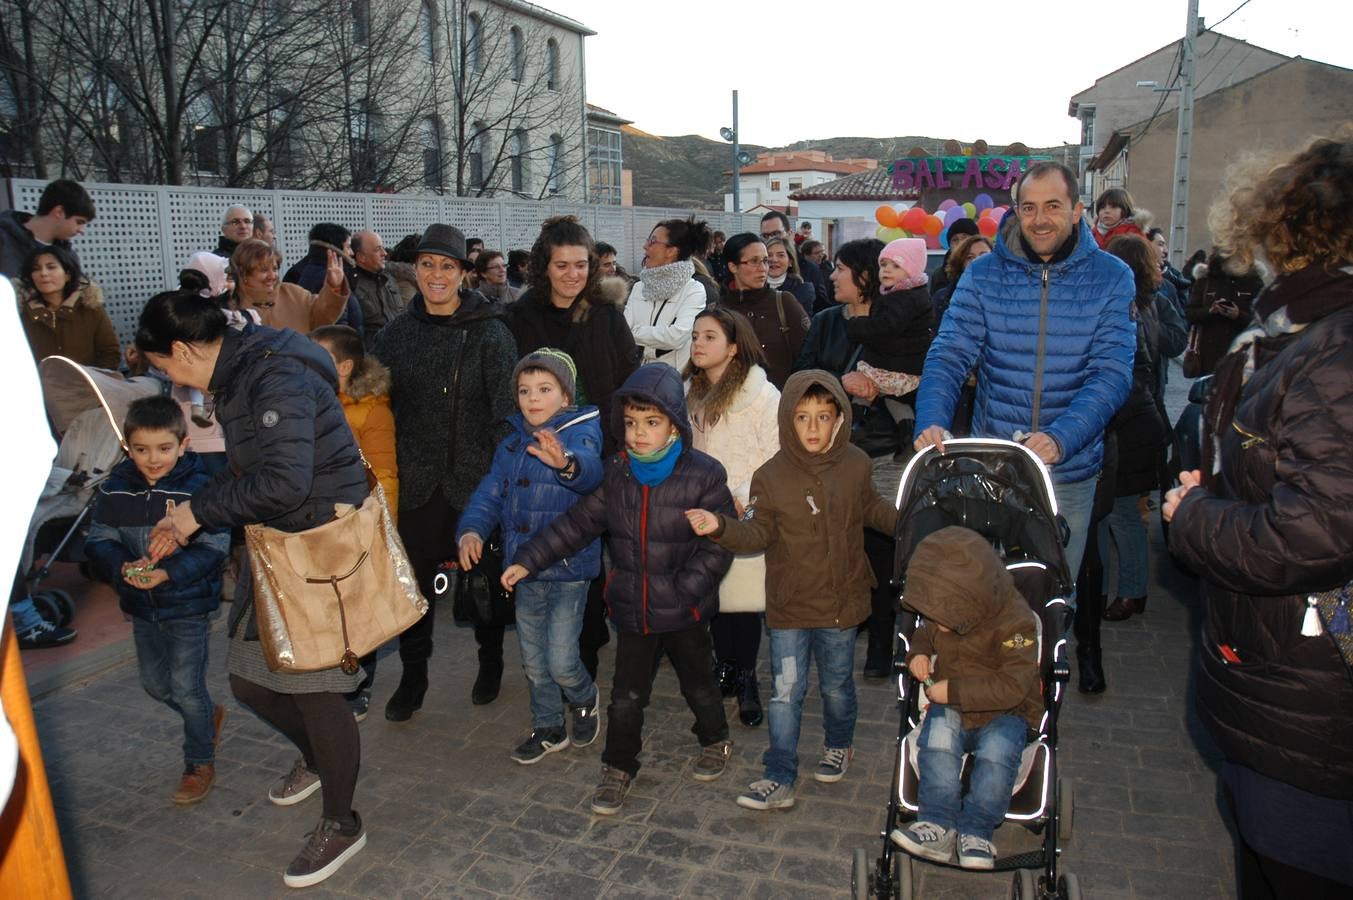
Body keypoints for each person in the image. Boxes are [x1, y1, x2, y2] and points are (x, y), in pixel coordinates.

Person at [1164, 135, 1353, 898]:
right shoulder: (1295, 338)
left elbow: (1314, 531)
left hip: (1309, 697)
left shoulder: (1330, 352)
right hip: (1281, 680)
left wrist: (1194, 514)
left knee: (1294, 865)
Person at [138, 290, 369, 888]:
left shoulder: (275, 376)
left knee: (318, 690)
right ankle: (321, 758)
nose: (169, 379)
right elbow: (254, 471)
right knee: (249, 679)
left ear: (185, 349)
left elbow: (284, 481)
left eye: (165, 366)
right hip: (272, 540)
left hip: (317, 541)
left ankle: (342, 822)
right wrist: (194, 505)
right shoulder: (240, 369)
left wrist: (195, 515)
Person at [503, 363, 736, 816]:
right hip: (635, 609)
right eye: (630, 423)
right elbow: (575, 525)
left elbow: (717, 546)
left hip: (685, 609)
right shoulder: (618, 474)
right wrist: (526, 559)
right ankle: (618, 766)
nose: (639, 433)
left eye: (651, 423)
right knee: (626, 697)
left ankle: (714, 738)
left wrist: (686, 590)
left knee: (700, 683)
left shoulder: (703, 475)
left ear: (674, 424)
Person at [915, 161, 1136, 592]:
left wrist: (1060, 437)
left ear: (1077, 210)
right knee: (986, 597)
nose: (1040, 219)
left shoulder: (1113, 278)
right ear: (1016, 211)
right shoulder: (983, 274)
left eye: (1053, 206)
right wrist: (931, 418)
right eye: (1029, 207)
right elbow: (949, 354)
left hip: (1069, 470)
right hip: (994, 467)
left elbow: (1111, 374)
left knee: (1052, 597)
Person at [685, 371, 897, 811]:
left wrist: (909, 518)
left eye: (824, 416)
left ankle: (839, 743)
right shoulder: (771, 476)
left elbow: (872, 509)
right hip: (789, 607)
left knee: (837, 686)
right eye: (802, 417)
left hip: (841, 605)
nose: (813, 428)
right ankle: (779, 772)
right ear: (788, 421)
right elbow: (756, 533)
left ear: (840, 418)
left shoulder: (856, 463)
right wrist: (721, 526)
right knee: (786, 690)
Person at [371, 224, 517, 716]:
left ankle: (491, 660)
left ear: (463, 273)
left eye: (447, 266)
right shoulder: (394, 334)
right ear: (416, 269)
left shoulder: (491, 332)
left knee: (483, 582)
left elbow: (506, 414)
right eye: (428, 264)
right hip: (416, 483)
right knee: (417, 585)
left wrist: (496, 485)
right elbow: (376, 407)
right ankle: (414, 676)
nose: (436, 274)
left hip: (474, 482)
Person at [507, 217, 640, 685]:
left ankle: (589, 644)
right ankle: (562, 652)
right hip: (543, 455)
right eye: (561, 265)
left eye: (581, 265)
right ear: (544, 266)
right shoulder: (522, 317)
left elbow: (628, 380)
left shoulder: (606, 315)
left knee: (598, 548)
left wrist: (626, 444)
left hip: (602, 452)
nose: (572, 274)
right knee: (557, 548)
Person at [457, 349, 604, 764]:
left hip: (568, 568)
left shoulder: (580, 433)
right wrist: (471, 530)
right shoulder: (511, 443)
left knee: (560, 660)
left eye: (544, 389)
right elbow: (490, 492)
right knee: (534, 661)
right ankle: (548, 725)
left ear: (565, 396)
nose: (533, 399)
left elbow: (592, 472)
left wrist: (566, 464)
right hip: (521, 570)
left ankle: (584, 695)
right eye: (524, 390)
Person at [84, 396, 229, 805]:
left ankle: (199, 761)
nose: (153, 459)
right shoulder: (115, 486)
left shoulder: (200, 488)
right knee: (155, 684)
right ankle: (205, 714)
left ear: (183, 445)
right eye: (141, 449)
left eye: (164, 448)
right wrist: (122, 568)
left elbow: (216, 548)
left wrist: (169, 572)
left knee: (185, 686)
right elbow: (98, 540)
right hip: (140, 605)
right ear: (127, 447)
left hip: (188, 604)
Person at [889, 526, 1042, 870]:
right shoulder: (944, 612)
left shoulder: (1014, 623)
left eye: (943, 618)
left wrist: (953, 690)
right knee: (938, 743)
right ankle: (937, 822)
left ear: (969, 605)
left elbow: (1012, 686)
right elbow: (925, 632)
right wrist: (919, 652)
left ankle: (977, 829)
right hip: (951, 701)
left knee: (996, 756)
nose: (935, 623)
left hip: (1006, 709)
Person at [684, 308, 780, 727]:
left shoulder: (761, 394)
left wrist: (741, 495)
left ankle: (746, 680)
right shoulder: (691, 391)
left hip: (743, 510)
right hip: (701, 507)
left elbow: (775, 454)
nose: (698, 344)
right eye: (695, 336)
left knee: (741, 603)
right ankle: (724, 668)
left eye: (709, 337)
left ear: (734, 346)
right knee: (713, 599)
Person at [308, 324, 399, 722]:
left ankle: (358, 684)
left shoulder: (371, 408)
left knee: (358, 611)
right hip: (313, 522)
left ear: (344, 367)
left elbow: (384, 474)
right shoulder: (303, 398)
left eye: (318, 358)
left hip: (356, 522)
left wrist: (383, 529)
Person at [1097, 235, 1173, 628]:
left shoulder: (1128, 309)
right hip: (1140, 420)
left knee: (1122, 513)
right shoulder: (1146, 304)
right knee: (1120, 513)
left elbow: (1124, 376)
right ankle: (1129, 590)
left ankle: (1130, 592)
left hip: (1129, 425)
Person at [716, 233, 809, 390]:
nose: (763, 268)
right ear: (733, 266)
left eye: (765, 261)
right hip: (728, 406)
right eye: (754, 261)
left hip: (778, 406)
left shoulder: (784, 302)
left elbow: (809, 357)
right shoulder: (717, 311)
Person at [623, 216, 711, 371]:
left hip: (675, 379)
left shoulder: (693, 290)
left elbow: (676, 337)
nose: (645, 246)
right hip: (637, 376)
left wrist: (634, 331)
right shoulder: (639, 287)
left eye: (652, 241)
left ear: (671, 251)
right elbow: (622, 330)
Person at [17, 244, 119, 369]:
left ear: (67, 275)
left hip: (86, 385)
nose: (43, 273)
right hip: (37, 387)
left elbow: (109, 352)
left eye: (51, 267)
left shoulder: (90, 308)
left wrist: (94, 384)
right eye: (36, 269)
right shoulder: (19, 313)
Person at [229, 238, 349, 333]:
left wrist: (333, 287)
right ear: (244, 273)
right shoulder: (230, 303)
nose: (272, 276)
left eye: (275, 269)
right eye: (264, 270)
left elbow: (323, 317)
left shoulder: (295, 294)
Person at [1184, 248, 1266, 377]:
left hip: (1241, 356)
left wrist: (1238, 315)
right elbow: (1189, 313)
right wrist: (1210, 311)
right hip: (1209, 358)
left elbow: (1262, 321)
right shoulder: (1206, 279)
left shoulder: (1253, 281)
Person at [0, 178, 95, 276]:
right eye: (79, 222)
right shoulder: (4, 240)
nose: (81, 230)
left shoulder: (68, 256)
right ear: (59, 212)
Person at [284, 222, 363, 333]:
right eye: (348, 247)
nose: (351, 253)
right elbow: (339, 329)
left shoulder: (313, 271)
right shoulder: (328, 278)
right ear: (335, 249)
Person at [349, 230, 404, 347]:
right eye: (377, 249)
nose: (384, 253)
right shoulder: (351, 286)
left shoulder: (389, 280)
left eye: (382, 248)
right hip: (374, 358)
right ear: (361, 257)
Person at [762, 212, 826, 311]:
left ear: (790, 234)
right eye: (766, 236)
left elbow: (821, 307)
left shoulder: (810, 269)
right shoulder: (754, 276)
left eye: (776, 234)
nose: (771, 239)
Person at [930, 234, 992, 326]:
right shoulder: (943, 298)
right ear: (961, 263)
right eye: (970, 257)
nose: (977, 260)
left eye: (983, 255)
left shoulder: (1010, 295)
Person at [928, 218, 981, 298]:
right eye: (955, 240)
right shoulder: (940, 274)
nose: (960, 243)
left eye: (965, 237)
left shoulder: (986, 268)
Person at [766, 235, 816, 316]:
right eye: (769, 255)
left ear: (790, 261)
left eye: (781, 255)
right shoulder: (752, 288)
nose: (774, 260)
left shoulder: (803, 290)